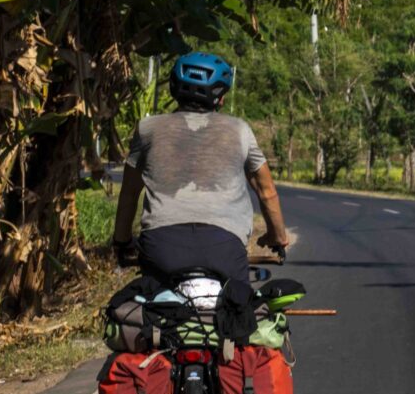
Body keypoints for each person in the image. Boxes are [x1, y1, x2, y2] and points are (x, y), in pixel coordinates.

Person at [112, 51, 288, 285]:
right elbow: (267, 192)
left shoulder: (147, 129)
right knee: (238, 303)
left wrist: (122, 242)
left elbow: (129, 193)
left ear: (173, 88)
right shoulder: (239, 130)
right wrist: (277, 237)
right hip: (224, 248)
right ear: (221, 97)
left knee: (150, 301)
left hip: (160, 247)